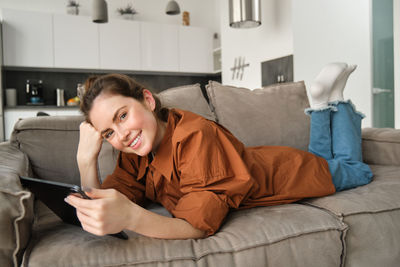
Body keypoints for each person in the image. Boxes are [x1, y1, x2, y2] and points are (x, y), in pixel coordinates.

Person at [65, 63, 373, 239]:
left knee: (355, 170)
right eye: (108, 132)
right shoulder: (134, 153)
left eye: (122, 116)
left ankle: (331, 102)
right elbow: (100, 209)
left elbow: (197, 227)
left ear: (147, 100)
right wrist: (85, 158)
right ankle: (323, 102)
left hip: (288, 173)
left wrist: (132, 217)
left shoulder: (194, 135)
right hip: (267, 158)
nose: (121, 135)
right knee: (325, 158)